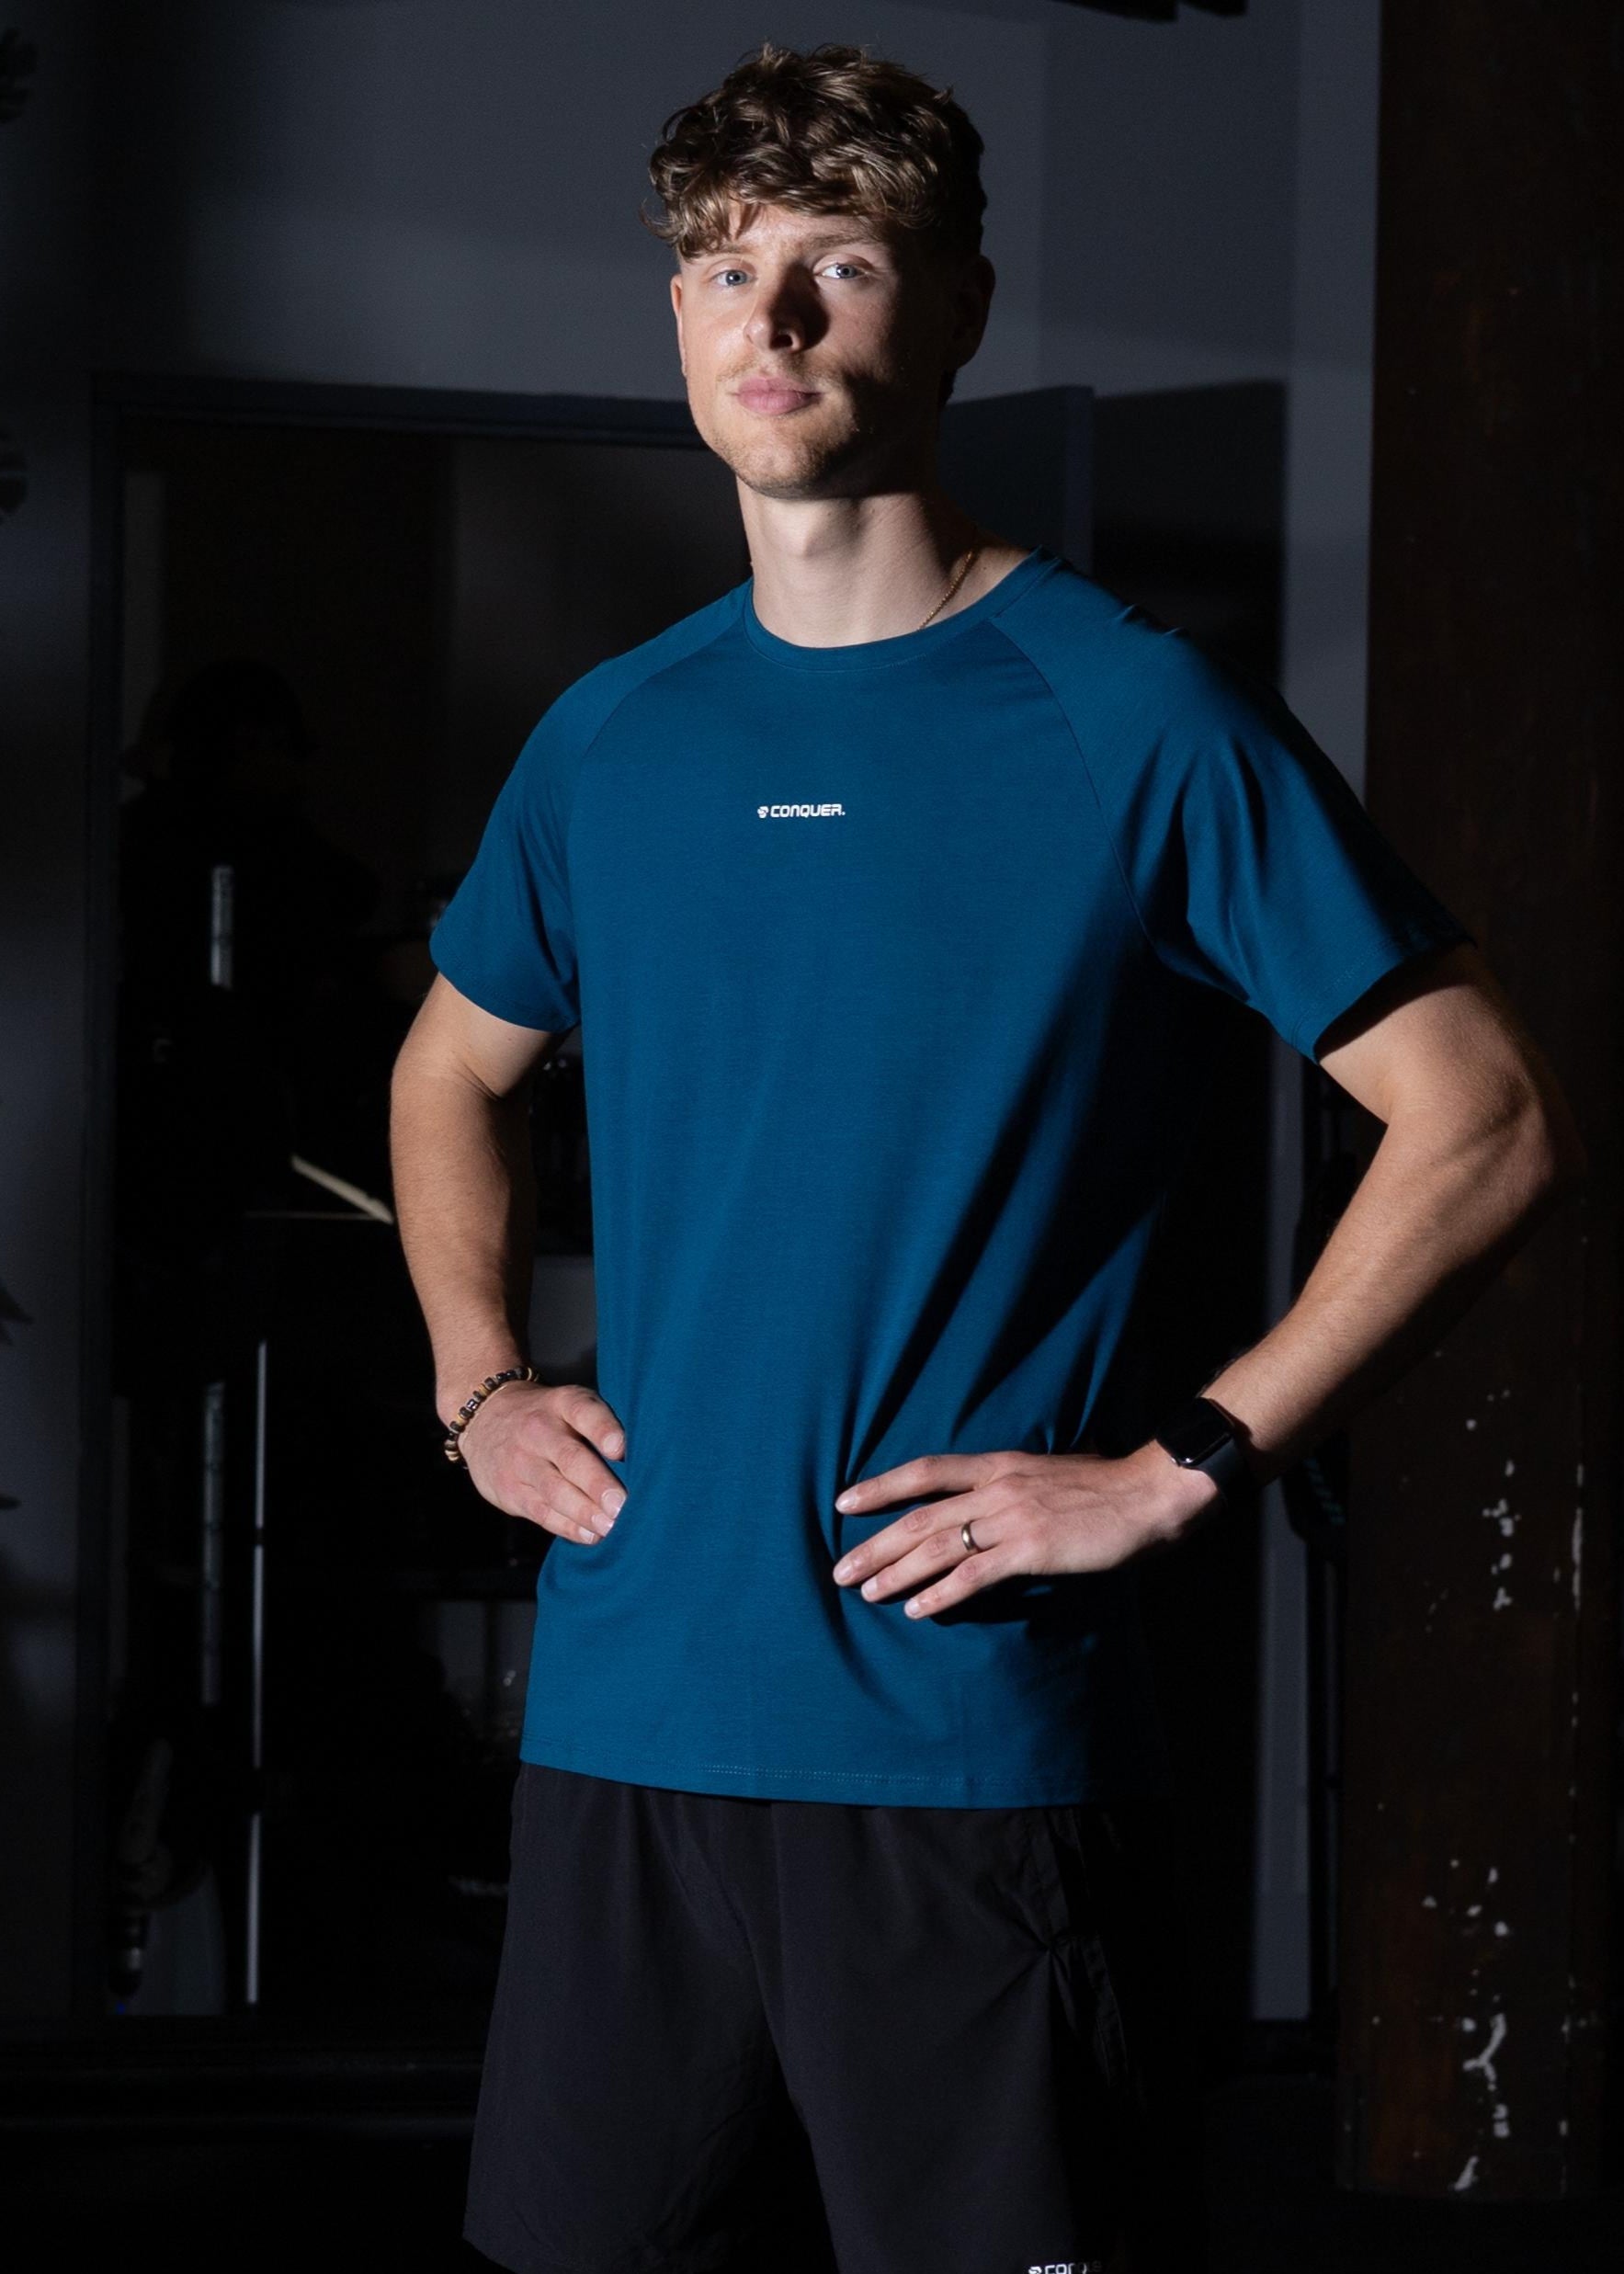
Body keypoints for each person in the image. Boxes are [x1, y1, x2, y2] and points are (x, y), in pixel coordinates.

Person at [388, 40, 1585, 2274]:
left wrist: (1177, 1466)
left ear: (955, 310)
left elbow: (1485, 1114)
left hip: (959, 1740)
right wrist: (479, 1384)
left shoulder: (1127, 713)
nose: (770, 318)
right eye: (722, 269)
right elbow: (448, 1070)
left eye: (838, 265)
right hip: (631, 1722)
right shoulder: (613, 736)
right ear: (675, 318)